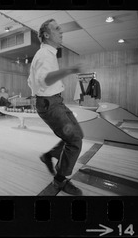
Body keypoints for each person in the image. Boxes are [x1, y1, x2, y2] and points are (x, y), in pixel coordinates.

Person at [28, 19, 85, 196]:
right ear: (46, 34)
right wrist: (69, 70)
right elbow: (45, 79)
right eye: (57, 29)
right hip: (50, 104)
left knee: (78, 135)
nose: (61, 31)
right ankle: (60, 180)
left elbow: (37, 80)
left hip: (55, 102)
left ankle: (50, 155)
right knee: (74, 141)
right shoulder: (45, 54)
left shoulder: (48, 53)